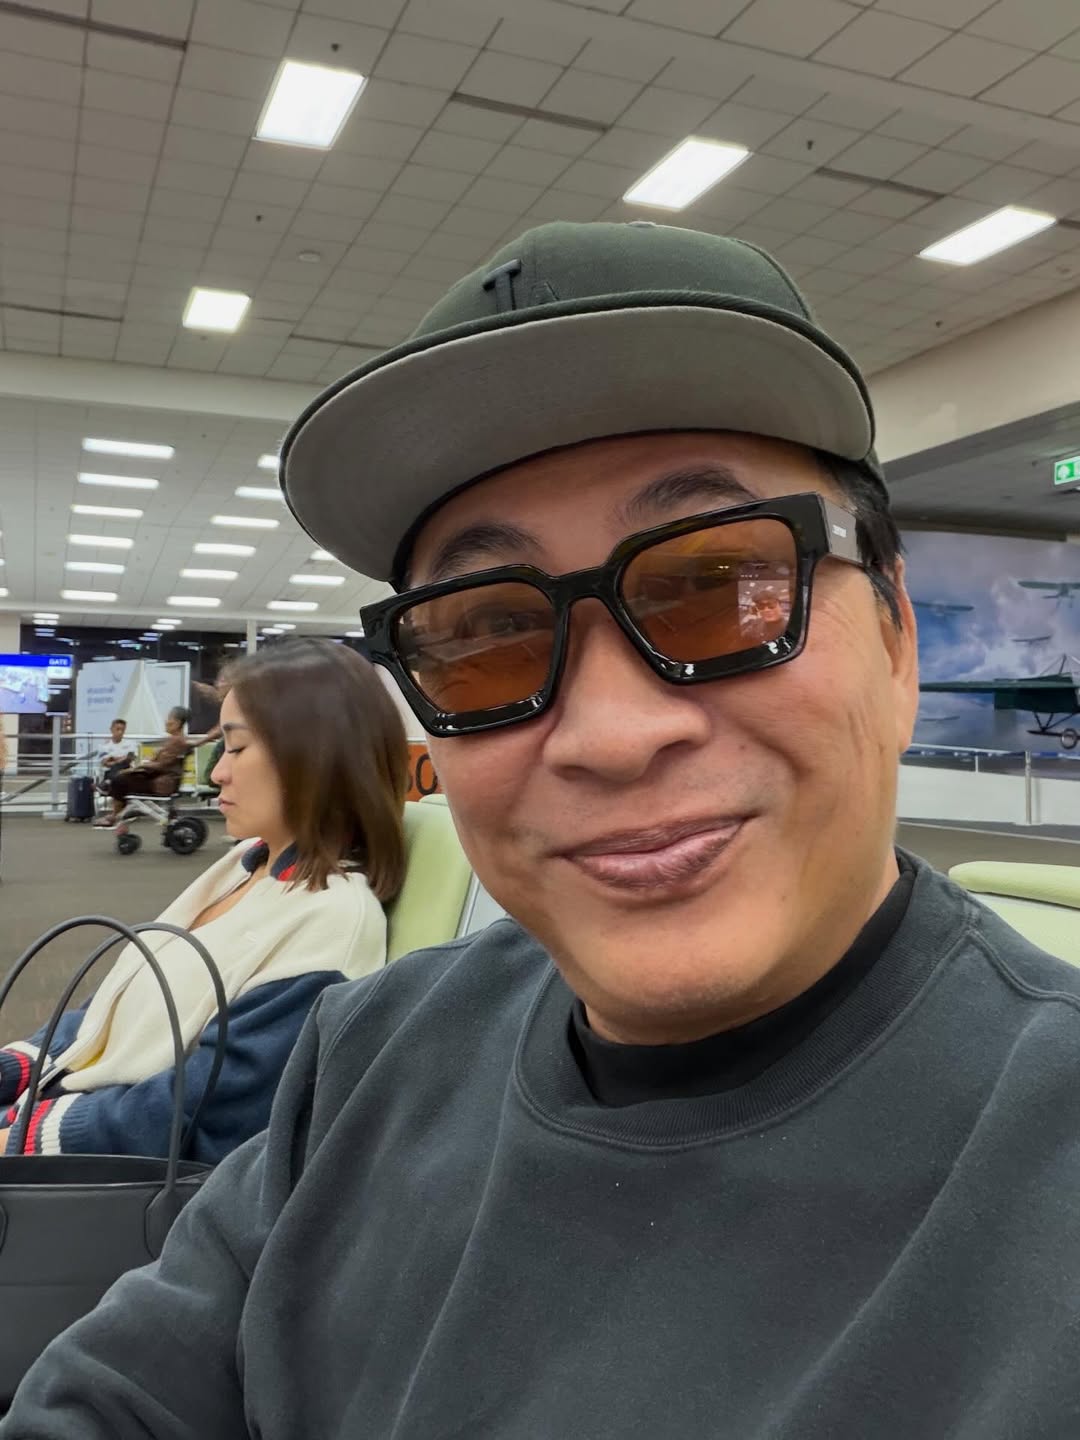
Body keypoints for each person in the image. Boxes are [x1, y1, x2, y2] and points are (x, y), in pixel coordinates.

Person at [8, 224, 1080, 1440]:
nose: (612, 734)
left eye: (718, 586)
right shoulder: (371, 1053)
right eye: (486, 635)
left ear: (897, 643)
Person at [0, 639, 407, 1163]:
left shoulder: (330, 920)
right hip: (63, 1108)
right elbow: (115, 1011)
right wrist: (15, 1068)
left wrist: (14, 1138)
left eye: (236, 748)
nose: (217, 773)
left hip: (108, 1175)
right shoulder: (245, 864)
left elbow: (203, 1115)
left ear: (313, 756)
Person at [93, 705, 195, 826]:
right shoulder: (178, 741)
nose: (166, 722)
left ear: (177, 723)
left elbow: (161, 765)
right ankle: (115, 805)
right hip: (164, 781)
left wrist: (140, 766)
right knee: (121, 776)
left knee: (119, 780)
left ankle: (115, 815)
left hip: (160, 784)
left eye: (169, 719)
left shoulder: (176, 742)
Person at [96, 717, 137, 790]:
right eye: (118, 729)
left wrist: (113, 758)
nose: (120, 732)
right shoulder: (104, 746)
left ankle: (107, 783)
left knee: (122, 765)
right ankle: (108, 782)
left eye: (122, 730)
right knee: (117, 767)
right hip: (110, 771)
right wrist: (121, 759)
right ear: (111, 729)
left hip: (126, 770)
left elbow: (130, 758)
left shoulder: (130, 744)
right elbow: (105, 763)